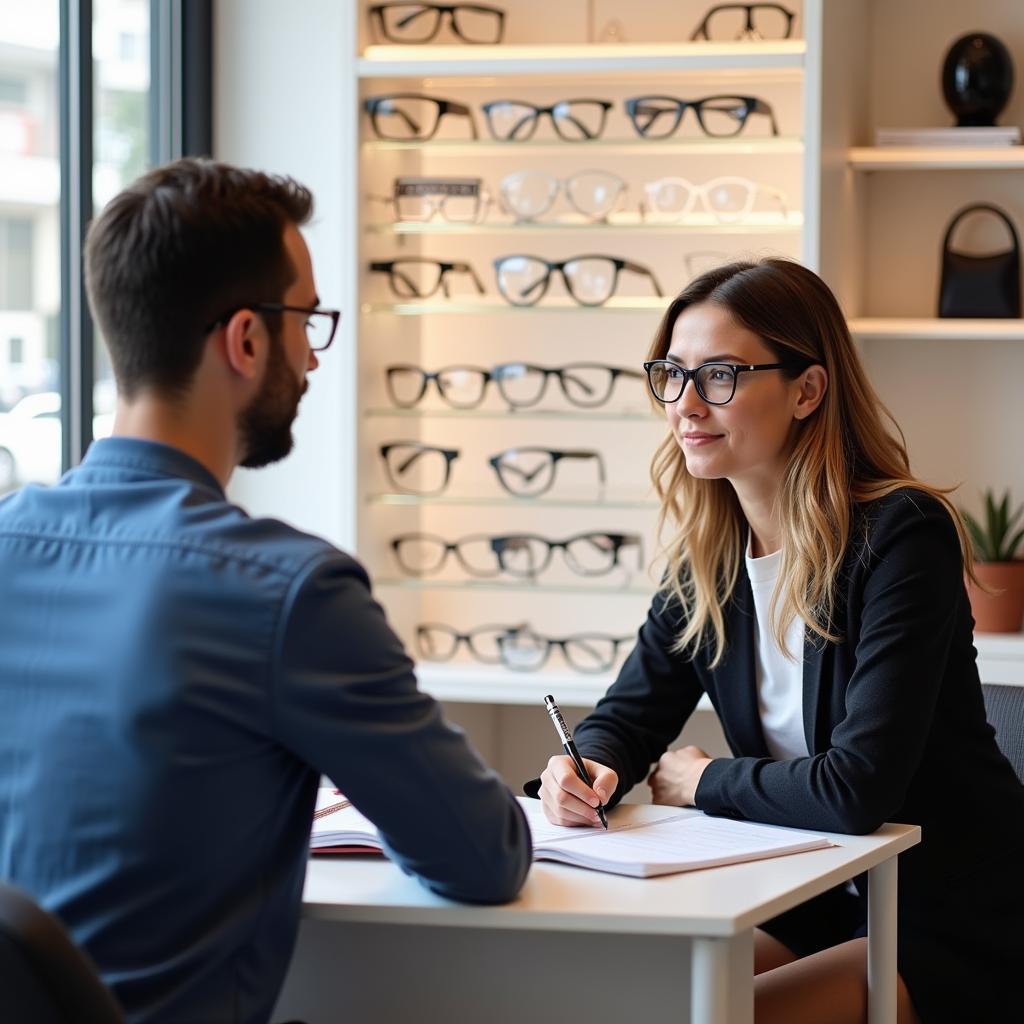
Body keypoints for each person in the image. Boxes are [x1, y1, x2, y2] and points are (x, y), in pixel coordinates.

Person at [0, 158, 531, 1024]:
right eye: (307, 322)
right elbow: (483, 856)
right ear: (245, 340)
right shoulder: (287, 592)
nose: (313, 361)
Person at [531, 258, 1024, 1024]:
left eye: (720, 375)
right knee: (627, 993)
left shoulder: (902, 537)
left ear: (807, 390)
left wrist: (703, 780)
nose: (687, 404)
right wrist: (588, 764)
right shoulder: (710, 552)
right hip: (819, 898)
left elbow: (856, 790)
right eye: (672, 374)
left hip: (953, 913)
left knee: (724, 1015)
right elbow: (630, 716)